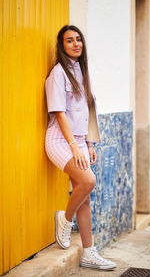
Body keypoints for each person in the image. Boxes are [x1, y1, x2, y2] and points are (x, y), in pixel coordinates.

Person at [44, 25, 116, 270]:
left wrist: (88, 143)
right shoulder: (58, 74)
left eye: (78, 40)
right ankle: (64, 219)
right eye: (69, 40)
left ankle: (89, 252)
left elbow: (86, 112)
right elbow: (61, 115)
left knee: (84, 196)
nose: (75, 44)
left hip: (79, 140)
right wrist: (74, 146)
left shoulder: (83, 73)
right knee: (89, 181)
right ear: (61, 46)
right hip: (59, 139)